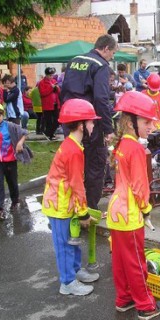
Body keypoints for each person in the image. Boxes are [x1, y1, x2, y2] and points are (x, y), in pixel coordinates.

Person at [106, 91, 160, 320]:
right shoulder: (137, 149)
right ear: (131, 122)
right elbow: (141, 187)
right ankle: (146, 305)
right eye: (146, 121)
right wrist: (146, 208)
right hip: (130, 213)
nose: (151, 125)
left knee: (120, 260)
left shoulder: (122, 145)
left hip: (116, 211)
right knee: (136, 262)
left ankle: (124, 299)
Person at [41, 99, 101, 296]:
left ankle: (75, 271)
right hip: (59, 206)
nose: (93, 125)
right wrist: (83, 213)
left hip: (66, 203)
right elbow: (77, 185)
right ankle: (67, 282)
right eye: (91, 121)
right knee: (65, 244)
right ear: (82, 125)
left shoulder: (72, 145)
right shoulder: (73, 150)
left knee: (72, 241)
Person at [60, 34, 117, 210]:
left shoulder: (74, 60)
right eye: (112, 52)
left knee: (73, 164)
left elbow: (64, 91)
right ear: (106, 48)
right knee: (96, 165)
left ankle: (71, 204)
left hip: (70, 120)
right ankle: (89, 208)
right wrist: (108, 129)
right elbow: (101, 98)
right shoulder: (100, 66)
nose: (112, 57)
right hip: (90, 123)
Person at [39, 67, 60, 140]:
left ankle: (48, 132)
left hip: (55, 104)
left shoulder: (54, 81)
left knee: (57, 119)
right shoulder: (42, 83)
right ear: (46, 75)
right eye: (50, 75)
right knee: (49, 121)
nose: (51, 77)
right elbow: (42, 93)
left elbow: (59, 92)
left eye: (52, 75)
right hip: (47, 105)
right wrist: (51, 88)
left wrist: (56, 88)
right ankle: (50, 134)